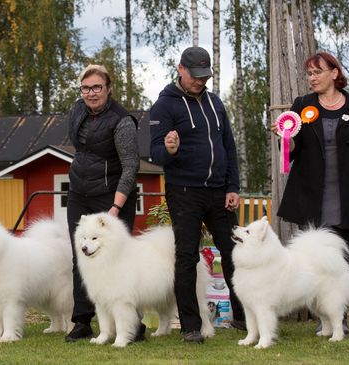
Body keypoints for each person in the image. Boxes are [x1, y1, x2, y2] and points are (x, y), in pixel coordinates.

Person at [271, 52, 349, 332]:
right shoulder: (302, 106)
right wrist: (284, 138)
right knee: (313, 260)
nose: (312, 78)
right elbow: (291, 153)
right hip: (311, 195)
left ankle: (339, 319)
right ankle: (323, 319)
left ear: (334, 73)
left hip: (348, 196)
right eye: (309, 74)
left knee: (344, 258)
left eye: (317, 72)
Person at [149, 46, 246, 343]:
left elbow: (228, 146)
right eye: (195, 76)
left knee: (235, 253)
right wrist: (168, 148)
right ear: (181, 69)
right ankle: (190, 326)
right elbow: (154, 154)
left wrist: (233, 186)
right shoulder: (164, 106)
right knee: (186, 256)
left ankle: (243, 316)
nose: (200, 81)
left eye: (205, 76)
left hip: (219, 191)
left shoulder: (216, 102)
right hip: (185, 192)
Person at [64, 64, 141, 342]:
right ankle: (82, 321)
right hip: (78, 193)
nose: (91, 93)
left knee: (119, 263)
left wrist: (116, 207)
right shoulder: (77, 111)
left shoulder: (122, 121)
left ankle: (133, 325)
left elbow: (131, 166)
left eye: (97, 87)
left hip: (112, 197)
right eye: (86, 88)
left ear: (108, 88)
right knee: (80, 257)